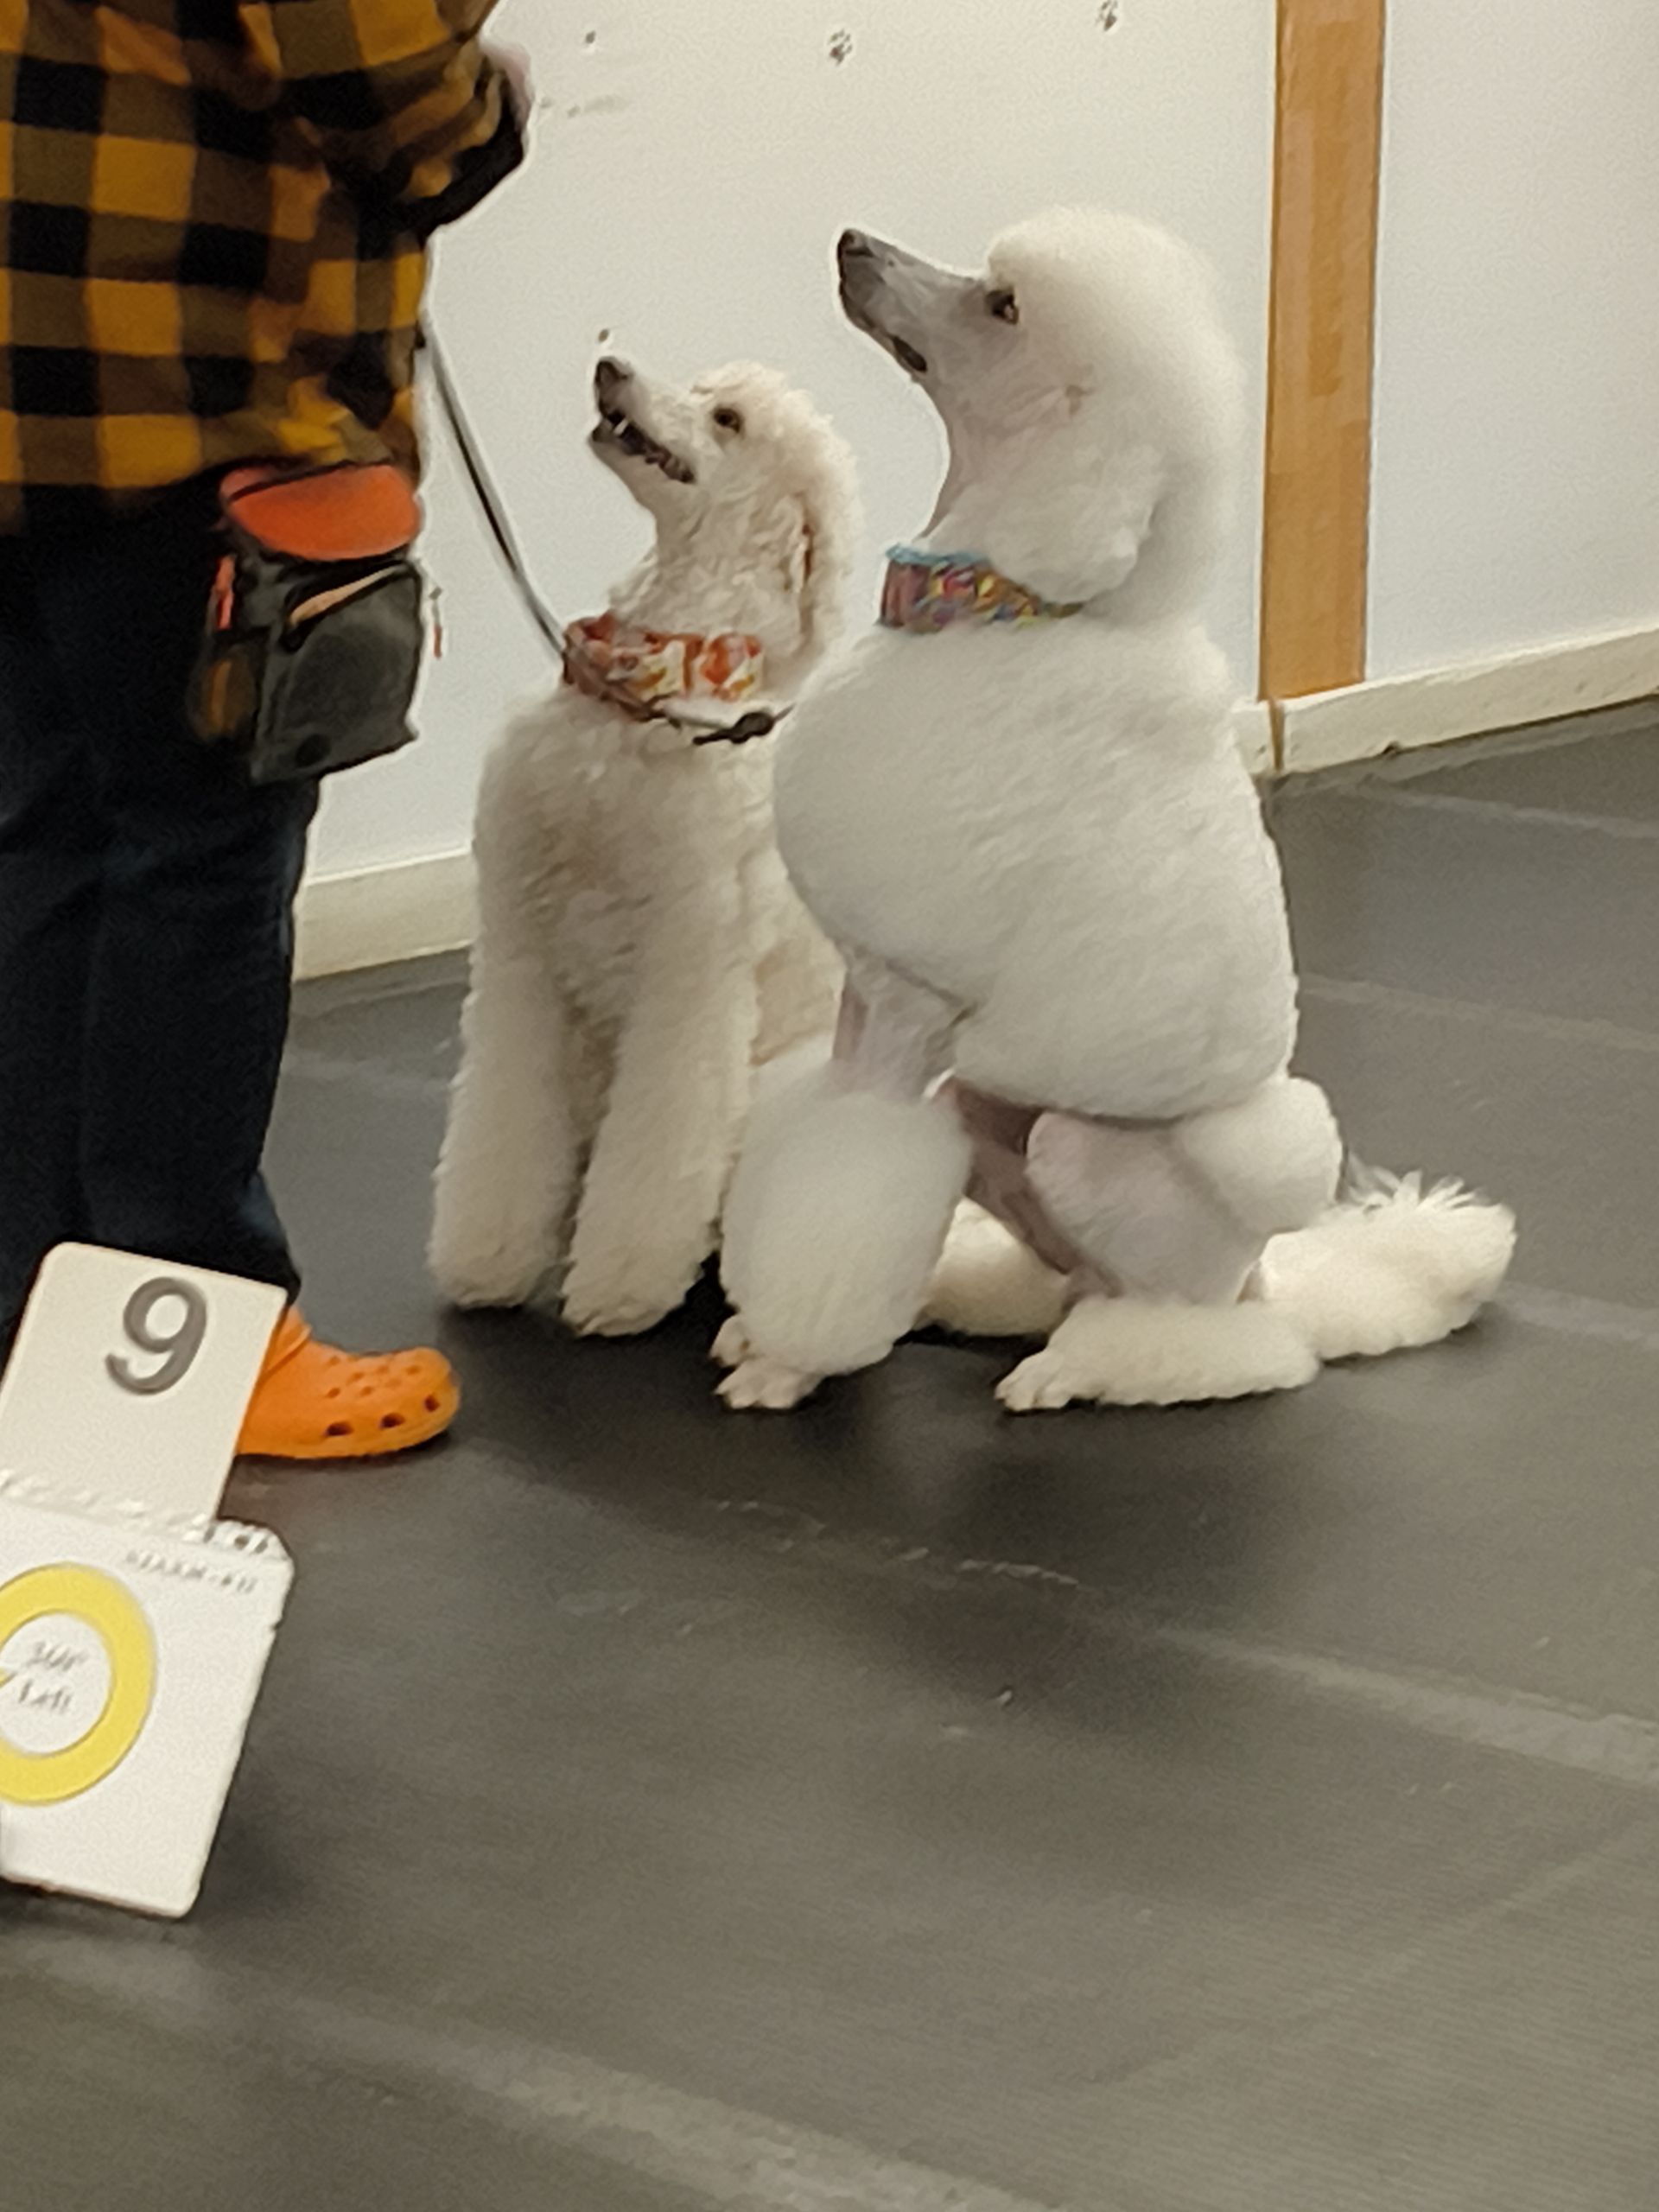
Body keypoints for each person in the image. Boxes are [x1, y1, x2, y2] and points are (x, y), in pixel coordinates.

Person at [0, 3, 525, 1458]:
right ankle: (203, 1332)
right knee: (202, 857)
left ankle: (36, 1310)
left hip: (30, 377)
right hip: (199, 390)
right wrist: (493, 105)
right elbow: (388, 83)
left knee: (50, 843)